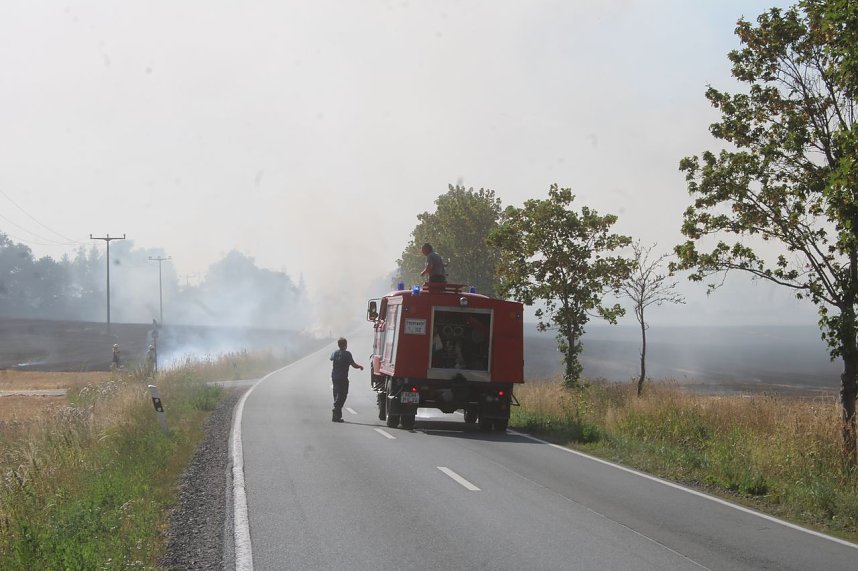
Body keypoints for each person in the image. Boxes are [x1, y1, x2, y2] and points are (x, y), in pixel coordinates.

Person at [330, 337, 364, 422]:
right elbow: (353, 364)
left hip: (334, 377)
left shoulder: (334, 353)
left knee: (336, 394)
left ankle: (336, 416)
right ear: (345, 345)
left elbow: (331, 358)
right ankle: (336, 409)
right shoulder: (347, 354)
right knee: (343, 395)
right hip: (342, 378)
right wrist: (360, 366)